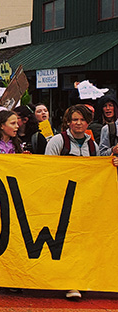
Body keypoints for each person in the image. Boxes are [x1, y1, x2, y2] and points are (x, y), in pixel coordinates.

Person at [44, 105, 97, 301]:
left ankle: (78, 280)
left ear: (88, 122)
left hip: (84, 204)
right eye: (75, 119)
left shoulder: (93, 146)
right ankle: (68, 282)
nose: (78, 123)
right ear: (68, 122)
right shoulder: (58, 142)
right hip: (61, 202)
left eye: (82, 120)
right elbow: (47, 169)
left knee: (81, 243)